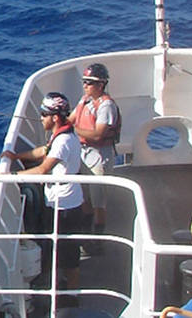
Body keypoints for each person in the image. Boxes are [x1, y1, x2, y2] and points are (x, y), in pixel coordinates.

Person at [0, 92, 84, 304]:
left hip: (66, 204)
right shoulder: (61, 136)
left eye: (44, 114)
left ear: (55, 117)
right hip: (59, 200)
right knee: (59, 248)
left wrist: (11, 176)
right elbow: (42, 152)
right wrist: (16, 156)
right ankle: (61, 288)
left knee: (68, 253)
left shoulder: (63, 141)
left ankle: (72, 297)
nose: (41, 118)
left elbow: (43, 169)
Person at [71, 63, 120, 250]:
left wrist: (74, 131)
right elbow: (71, 119)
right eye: (84, 82)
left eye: (89, 82)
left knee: (99, 201)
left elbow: (99, 133)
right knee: (85, 197)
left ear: (100, 85)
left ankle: (98, 240)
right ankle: (86, 235)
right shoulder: (84, 101)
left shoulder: (106, 106)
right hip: (84, 153)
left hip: (99, 156)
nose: (85, 85)